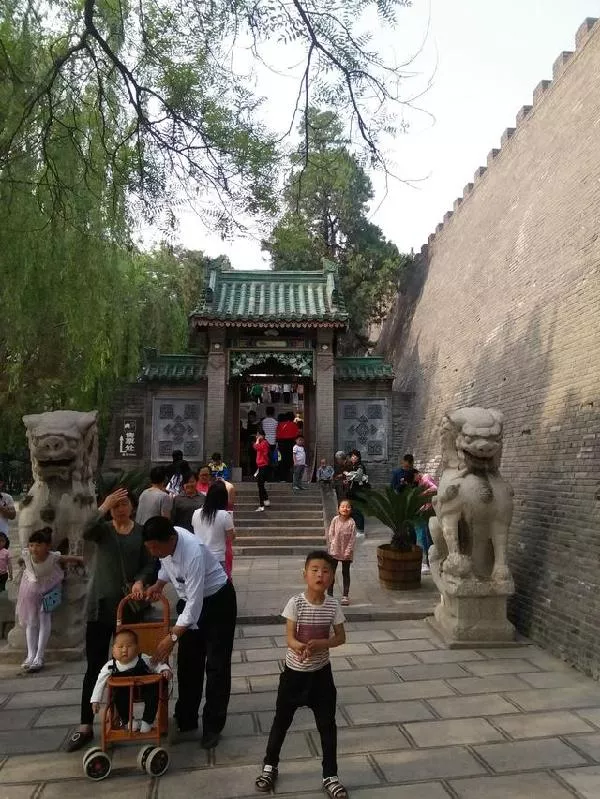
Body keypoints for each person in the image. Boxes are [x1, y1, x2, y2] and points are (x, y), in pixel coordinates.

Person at [66, 488, 157, 752]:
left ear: (132, 506)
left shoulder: (141, 532)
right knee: (95, 665)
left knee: (127, 664)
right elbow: (84, 531)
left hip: (129, 609)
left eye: (124, 504)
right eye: (115, 505)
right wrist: (103, 506)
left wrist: (140, 580)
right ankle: (85, 724)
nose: (120, 509)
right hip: (101, 606)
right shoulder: (102, 530)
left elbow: (150, 564)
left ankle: (122, 718)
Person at [254, 550, 347, 799]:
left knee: (327, 726)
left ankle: (330, 775)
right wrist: (300, 647)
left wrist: (322, 644)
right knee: (281, 722)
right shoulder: (295, 603)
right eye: (315, 570)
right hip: (294, 675)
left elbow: (341, 637)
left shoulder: (333, 605)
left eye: (326, 571)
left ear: (332, 578)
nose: (320, 575)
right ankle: (269, 766)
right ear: (304, 574)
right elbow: (290, 638)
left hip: (321, 676)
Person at [142, 517, 237, 749]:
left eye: (155, 547)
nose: (153, 553)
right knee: (188, 664)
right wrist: (159, 584)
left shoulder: (192, 552)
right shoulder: (166, 542)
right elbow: (167, 565)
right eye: (149, 548)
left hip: (217, 602)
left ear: (171, 540)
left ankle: (213, 726)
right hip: (191, 603)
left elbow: (195, 606)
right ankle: (186, 720)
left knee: (216, 666)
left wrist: (173, 637)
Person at [16, 527, 83, 672]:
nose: (34, 549)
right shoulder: (26, 555)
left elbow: (66, 558)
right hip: (30, 589)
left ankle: (39, 656)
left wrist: (80, 559)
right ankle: (30, 655)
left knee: (44, 617)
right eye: (31, 545)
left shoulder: (52, 557)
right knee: (31, 621)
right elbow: (20, 560)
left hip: (51, 588)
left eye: (38, 545)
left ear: (47, 546)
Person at [90, 627, 172, 733]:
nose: (124, 650)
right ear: (113, 650)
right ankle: (128, 721)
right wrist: (95, 700)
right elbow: (100, 682)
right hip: (124, 693)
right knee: (118, 697)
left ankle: (147, 721)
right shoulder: (110, 666)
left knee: (153, 693)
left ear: (137, 648)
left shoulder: (143, 659)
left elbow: (157, 664)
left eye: (129, 646)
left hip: (143, 690)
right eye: (120, 647)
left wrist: (164, 670)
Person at [192, 481, 235, 574]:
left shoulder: (196, 513)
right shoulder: (224, 515)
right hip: (217, 557)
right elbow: (231, 537)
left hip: (199, 556)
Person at [326, 500, 357, 606]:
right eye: (342, 506)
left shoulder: (352, 522)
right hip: (335, 550)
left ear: (351, 510)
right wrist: (333, 544)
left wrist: (348, 551)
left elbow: (352, 539)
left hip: (347, 552)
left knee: (346, 573)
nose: (345, 509)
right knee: (331, 572)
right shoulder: (335, 520)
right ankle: (329, 595)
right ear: (339, 508)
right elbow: (331, 533)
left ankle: (345, 596)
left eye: (348, 507)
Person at [413, 472, 437, 573]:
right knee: (426, 536)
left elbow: (435, 488)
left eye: (413, 477)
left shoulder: (425, 479)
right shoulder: (422, 481)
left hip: (429, 512)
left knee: (426, 537)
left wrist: (423, 494)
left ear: (417, 474)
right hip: (426, 511)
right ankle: (428, 562)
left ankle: (427, 563)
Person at [343, 449, 368, 535]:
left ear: (358, 457)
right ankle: (355, 528)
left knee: (358, 510)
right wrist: (347, 480)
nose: (353, 458)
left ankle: (360, 530)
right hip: (352, 492)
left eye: (355, 456)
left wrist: (349, 475)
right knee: (352, 510)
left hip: (359, 492)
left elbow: (358, 477)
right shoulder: (353, 466)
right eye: (352, 456)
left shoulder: (360, 466)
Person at [276, 412, 300, 482]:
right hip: (291, 444)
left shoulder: (280, 424)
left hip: (281, 444)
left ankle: (282, 478)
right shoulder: (294, 425)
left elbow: (277, 435)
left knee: (281, 460)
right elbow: (296, 435)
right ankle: (290, 477)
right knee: (290, 460)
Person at [253, 430, 271, 512]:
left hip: (264, 466)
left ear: (262, 436)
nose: (256, 436)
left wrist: (257, 441)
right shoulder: (262, 443)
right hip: (261, 466)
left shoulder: (264, 443)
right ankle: (266, 500)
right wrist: (257, 441)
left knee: (260, 485)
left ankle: (261, 505)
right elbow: (255, 447)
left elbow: (256, 447)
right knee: (260, 485)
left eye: (258, 435)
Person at [261, 406, 279, 478]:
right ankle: (272, 476)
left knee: (265, 460)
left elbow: (261, 432)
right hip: (273, 442)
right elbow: (277, 433)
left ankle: (265, 476)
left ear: (266, 412)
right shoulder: (276, 422)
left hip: (265, 442)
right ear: (274, 412)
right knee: (272, 459)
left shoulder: (263, 422)